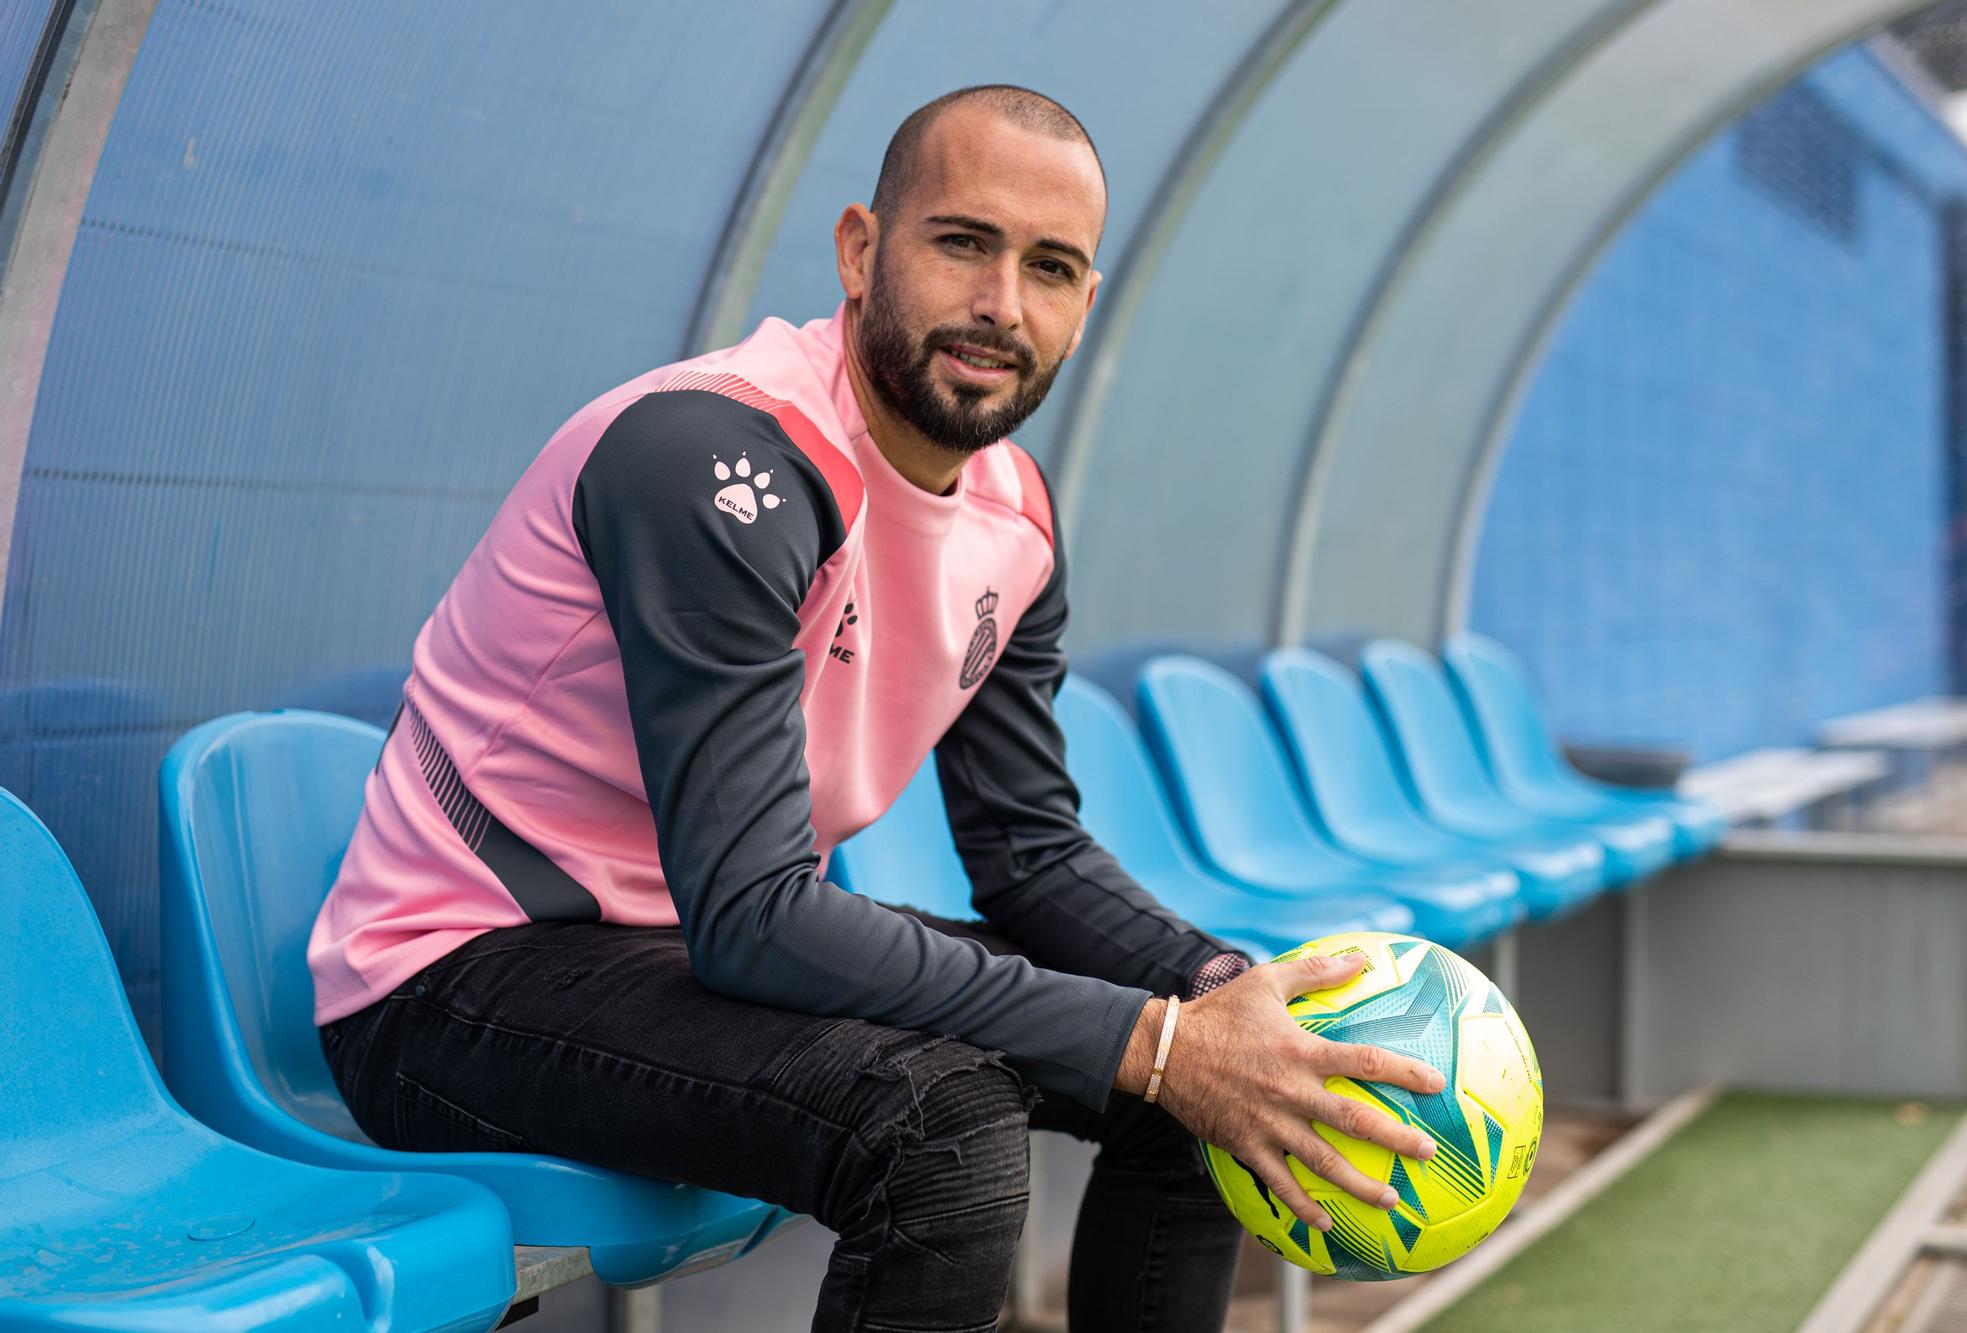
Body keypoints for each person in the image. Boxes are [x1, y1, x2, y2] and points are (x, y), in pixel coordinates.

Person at [308, 84, 1442, 1333]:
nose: (1000, 304)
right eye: (962, 242)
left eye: (1049, 267)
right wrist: (1157, 1038)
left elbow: (1030, 852)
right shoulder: (714, 457)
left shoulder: (1013, 520)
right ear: (860, 249)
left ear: (1084, 308)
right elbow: (751, 919)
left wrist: (1222, 997)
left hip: (673, 959)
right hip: (449, 977)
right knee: (941, 1125)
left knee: (1198, 1096)